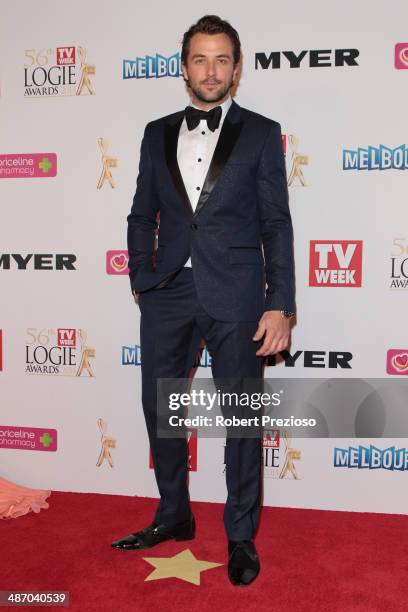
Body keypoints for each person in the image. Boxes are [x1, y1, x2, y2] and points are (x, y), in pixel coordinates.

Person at [112, 15, 296, 586]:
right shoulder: (155, 131)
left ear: (236, 69)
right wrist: (143, 278)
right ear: (184, 66)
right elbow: (143, 213)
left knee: (240, 418)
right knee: (160, 412)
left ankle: (240, 536)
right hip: (168, 293)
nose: (210, 70)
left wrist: (279, 304)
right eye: (199, 59)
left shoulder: (263, 133)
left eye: (221, 59)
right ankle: (174, 515)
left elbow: (276, 225)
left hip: (238, 295)